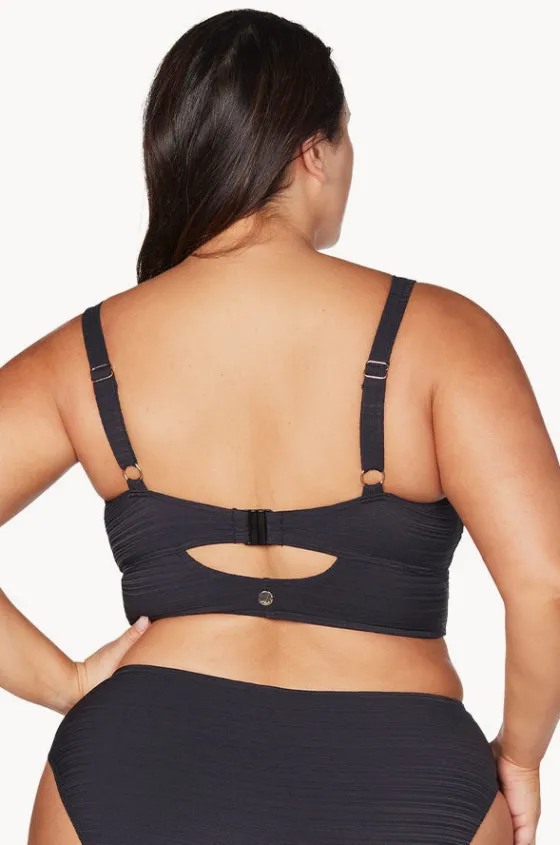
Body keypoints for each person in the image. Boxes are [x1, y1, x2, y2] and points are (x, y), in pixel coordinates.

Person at [1, 9, 558, 845]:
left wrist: (68, 682)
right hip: (405, 774)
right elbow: (546, 581)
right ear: (313, 152)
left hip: (134, 766)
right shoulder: (446, 334)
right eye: (346, 134)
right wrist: (520, 753)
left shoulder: (89, 351)